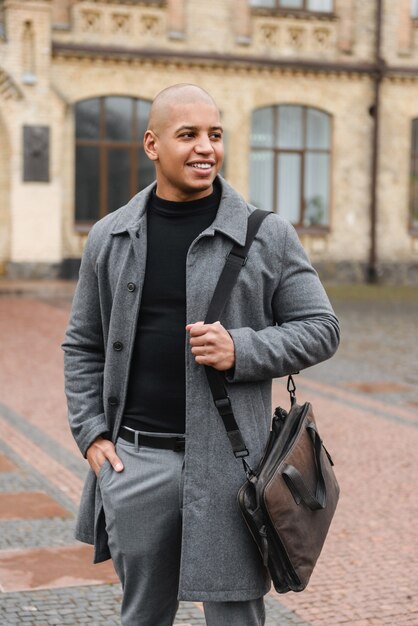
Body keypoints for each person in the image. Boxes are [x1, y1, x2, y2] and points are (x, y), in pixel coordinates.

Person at [62, 83, 340, 626]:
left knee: (236, 616)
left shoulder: (267, 234)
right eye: (187, 135)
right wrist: (92, 433)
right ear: (151, 144)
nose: (204, 147)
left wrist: (244, 348)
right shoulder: (109, 236)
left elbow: (322, 328)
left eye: (214, 134)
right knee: (141, 616)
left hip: (233, 466)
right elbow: (83, 343)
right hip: (134, 461)